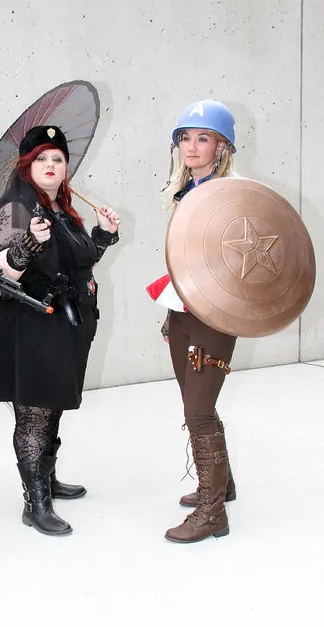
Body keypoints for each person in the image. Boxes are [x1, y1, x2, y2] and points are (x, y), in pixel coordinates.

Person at [0, 125, 119, 536]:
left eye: (57, 158)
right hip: (29, 326)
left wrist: (103, 236)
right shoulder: (16, 209)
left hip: (64, 325)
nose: (51, 165)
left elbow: (77, 263)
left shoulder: (62, 209)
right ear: (26, 165)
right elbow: (1, 271)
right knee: (34, 413)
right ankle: (35, 503)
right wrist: (28, 246)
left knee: (51, 405)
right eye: (41, 158)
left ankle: (48, 480)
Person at [158, 101, 238, 543]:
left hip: (214, 314)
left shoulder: (232, 194)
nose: (191, 146)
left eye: (202, 138)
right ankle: (221, 484)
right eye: (184, 138)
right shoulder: (187, 189)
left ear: (221, 146)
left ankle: (212, 513)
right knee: (196, 402)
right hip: (182, 310)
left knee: (198, 411)